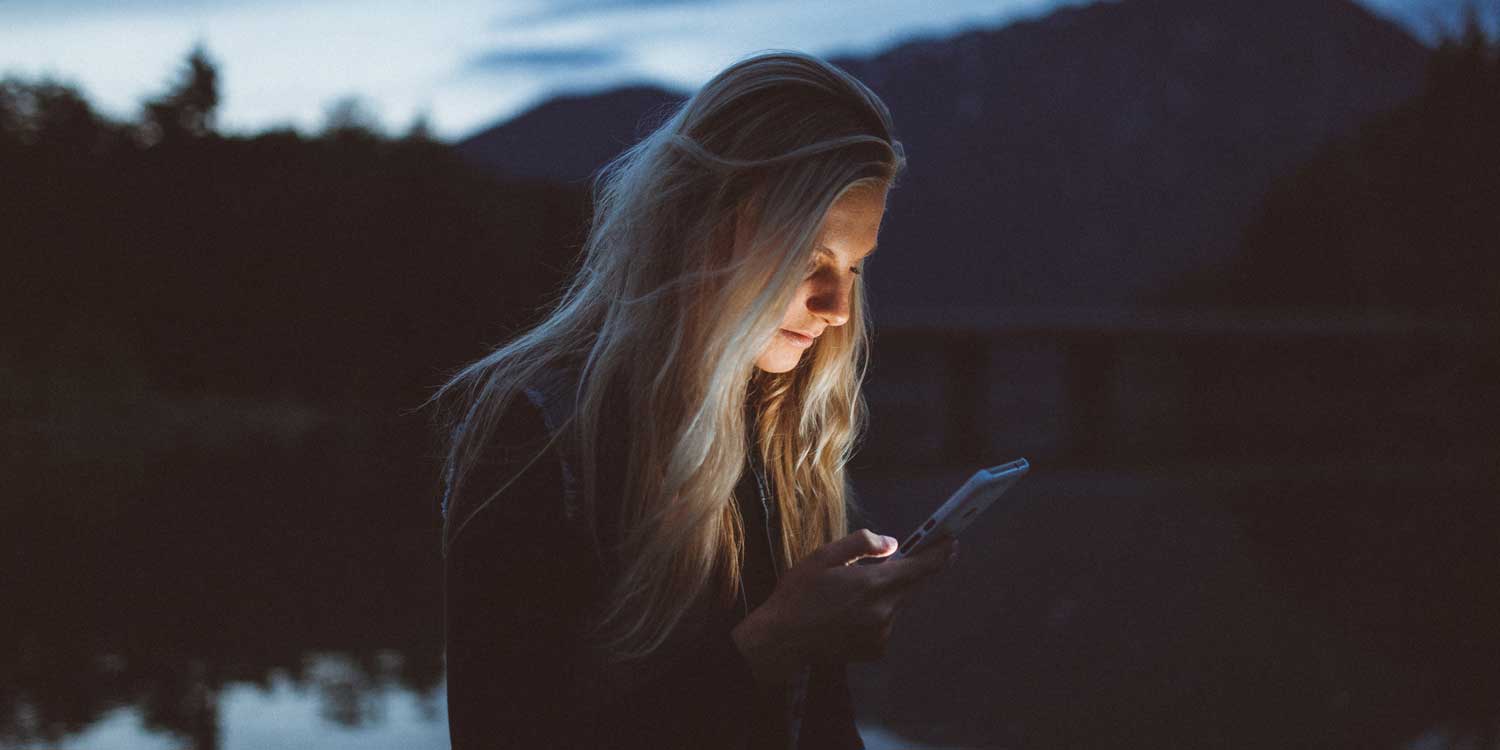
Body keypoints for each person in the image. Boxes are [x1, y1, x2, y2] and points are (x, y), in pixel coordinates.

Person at [426, 49, 959, 749]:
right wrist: (775, 645)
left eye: (855, 267)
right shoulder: (539, 433)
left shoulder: (778, 426)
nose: (835, 307)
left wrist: (815, 642)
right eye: (810, 260)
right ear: (704, 225)